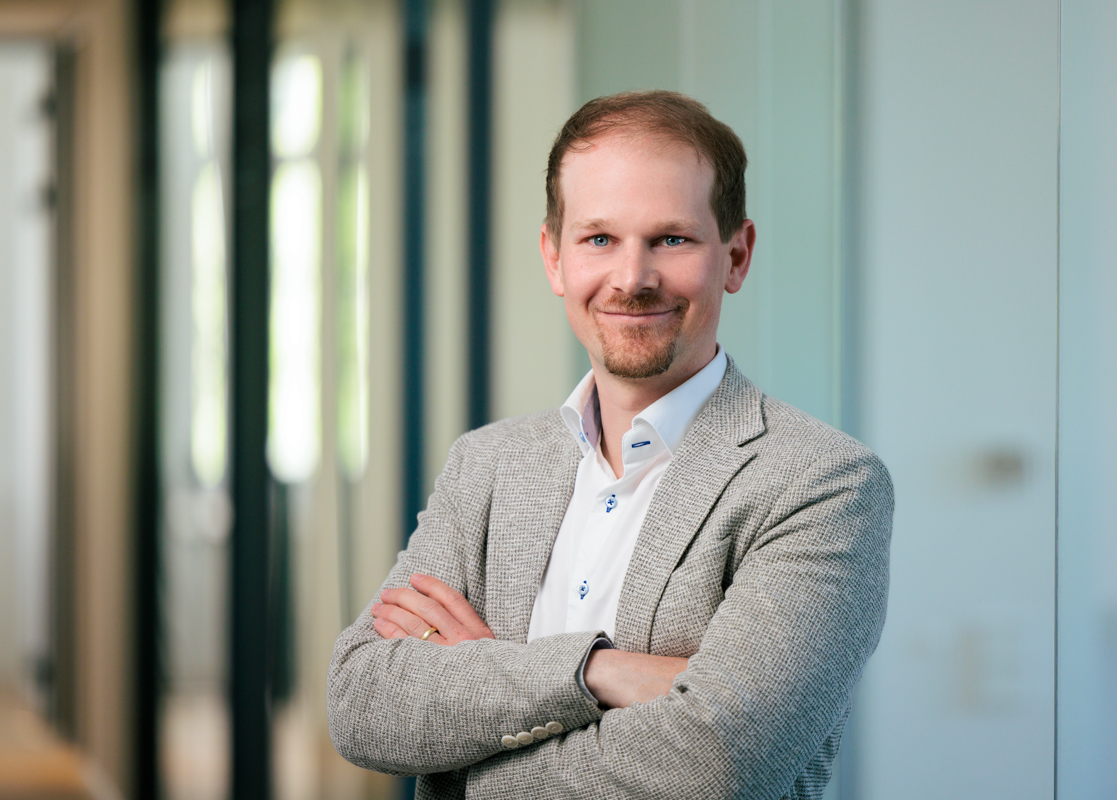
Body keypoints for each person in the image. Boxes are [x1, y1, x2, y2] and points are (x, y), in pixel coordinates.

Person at [327, 90, 893, 800]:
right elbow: (361, 704)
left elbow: (715, 765)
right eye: (599, 239)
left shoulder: (821, 483)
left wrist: (477, 717)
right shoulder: (488, 466)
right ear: (554, 257)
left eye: (671, 239)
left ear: (737, 255)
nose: (632, 278)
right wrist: (600, 670)